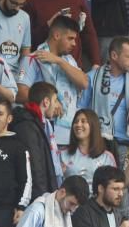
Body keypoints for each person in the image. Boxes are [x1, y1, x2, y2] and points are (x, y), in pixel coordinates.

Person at [17, 15, 88, 147]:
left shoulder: (69, 60)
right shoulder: (33, 59)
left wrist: (59, 61)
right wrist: (50, 101)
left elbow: (84, 83)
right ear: (56, 35)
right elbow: (20, 94)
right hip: (44, 134)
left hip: (70, 134)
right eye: (70, 38)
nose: (74, 43)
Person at [9, 81, 62, 199]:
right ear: (46, 102)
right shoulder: (27, 126)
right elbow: (35, 167)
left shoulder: (38, 124)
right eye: (55, 101)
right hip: (34, 198)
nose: (57, 105)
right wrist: (42, 199)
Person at [60, 109, 117, 184]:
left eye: (83, 121)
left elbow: (113, 185)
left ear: (93, 126)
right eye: (76, 121)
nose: (78, 124)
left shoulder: (107, 157)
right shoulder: (62, 154)